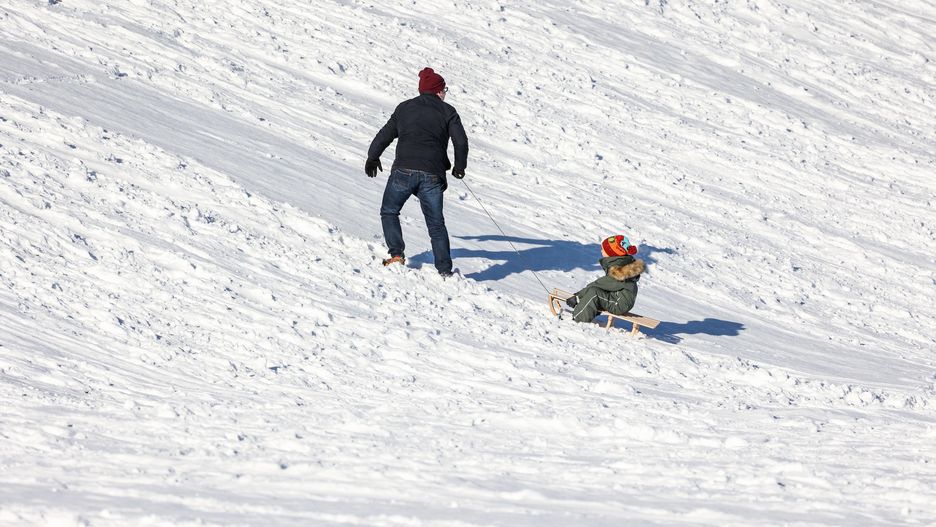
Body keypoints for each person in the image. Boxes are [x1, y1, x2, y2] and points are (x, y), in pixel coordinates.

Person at [365, 67, 469, 277]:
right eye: (444, 89)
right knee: (436, 225)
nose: (445, 93)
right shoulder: (448, 111)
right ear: (438, 91)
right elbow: (461, 141)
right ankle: (445, 271)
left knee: (389, 211)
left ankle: (396, 254)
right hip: (432, 175)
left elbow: (385, 135)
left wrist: (372, 156)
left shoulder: (404, 108)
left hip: (403, 170)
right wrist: (459, 167)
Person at [566, 235, 645, 323]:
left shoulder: (620, 271)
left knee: (594, 292)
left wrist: (578, 296)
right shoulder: (620, 264)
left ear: (611, 253)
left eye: (603, 249)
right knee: (595, 291)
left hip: (619, 303)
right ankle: (587, 312)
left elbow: (600, 284)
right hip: (616, 298)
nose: (601, 251)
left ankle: (577, 320)